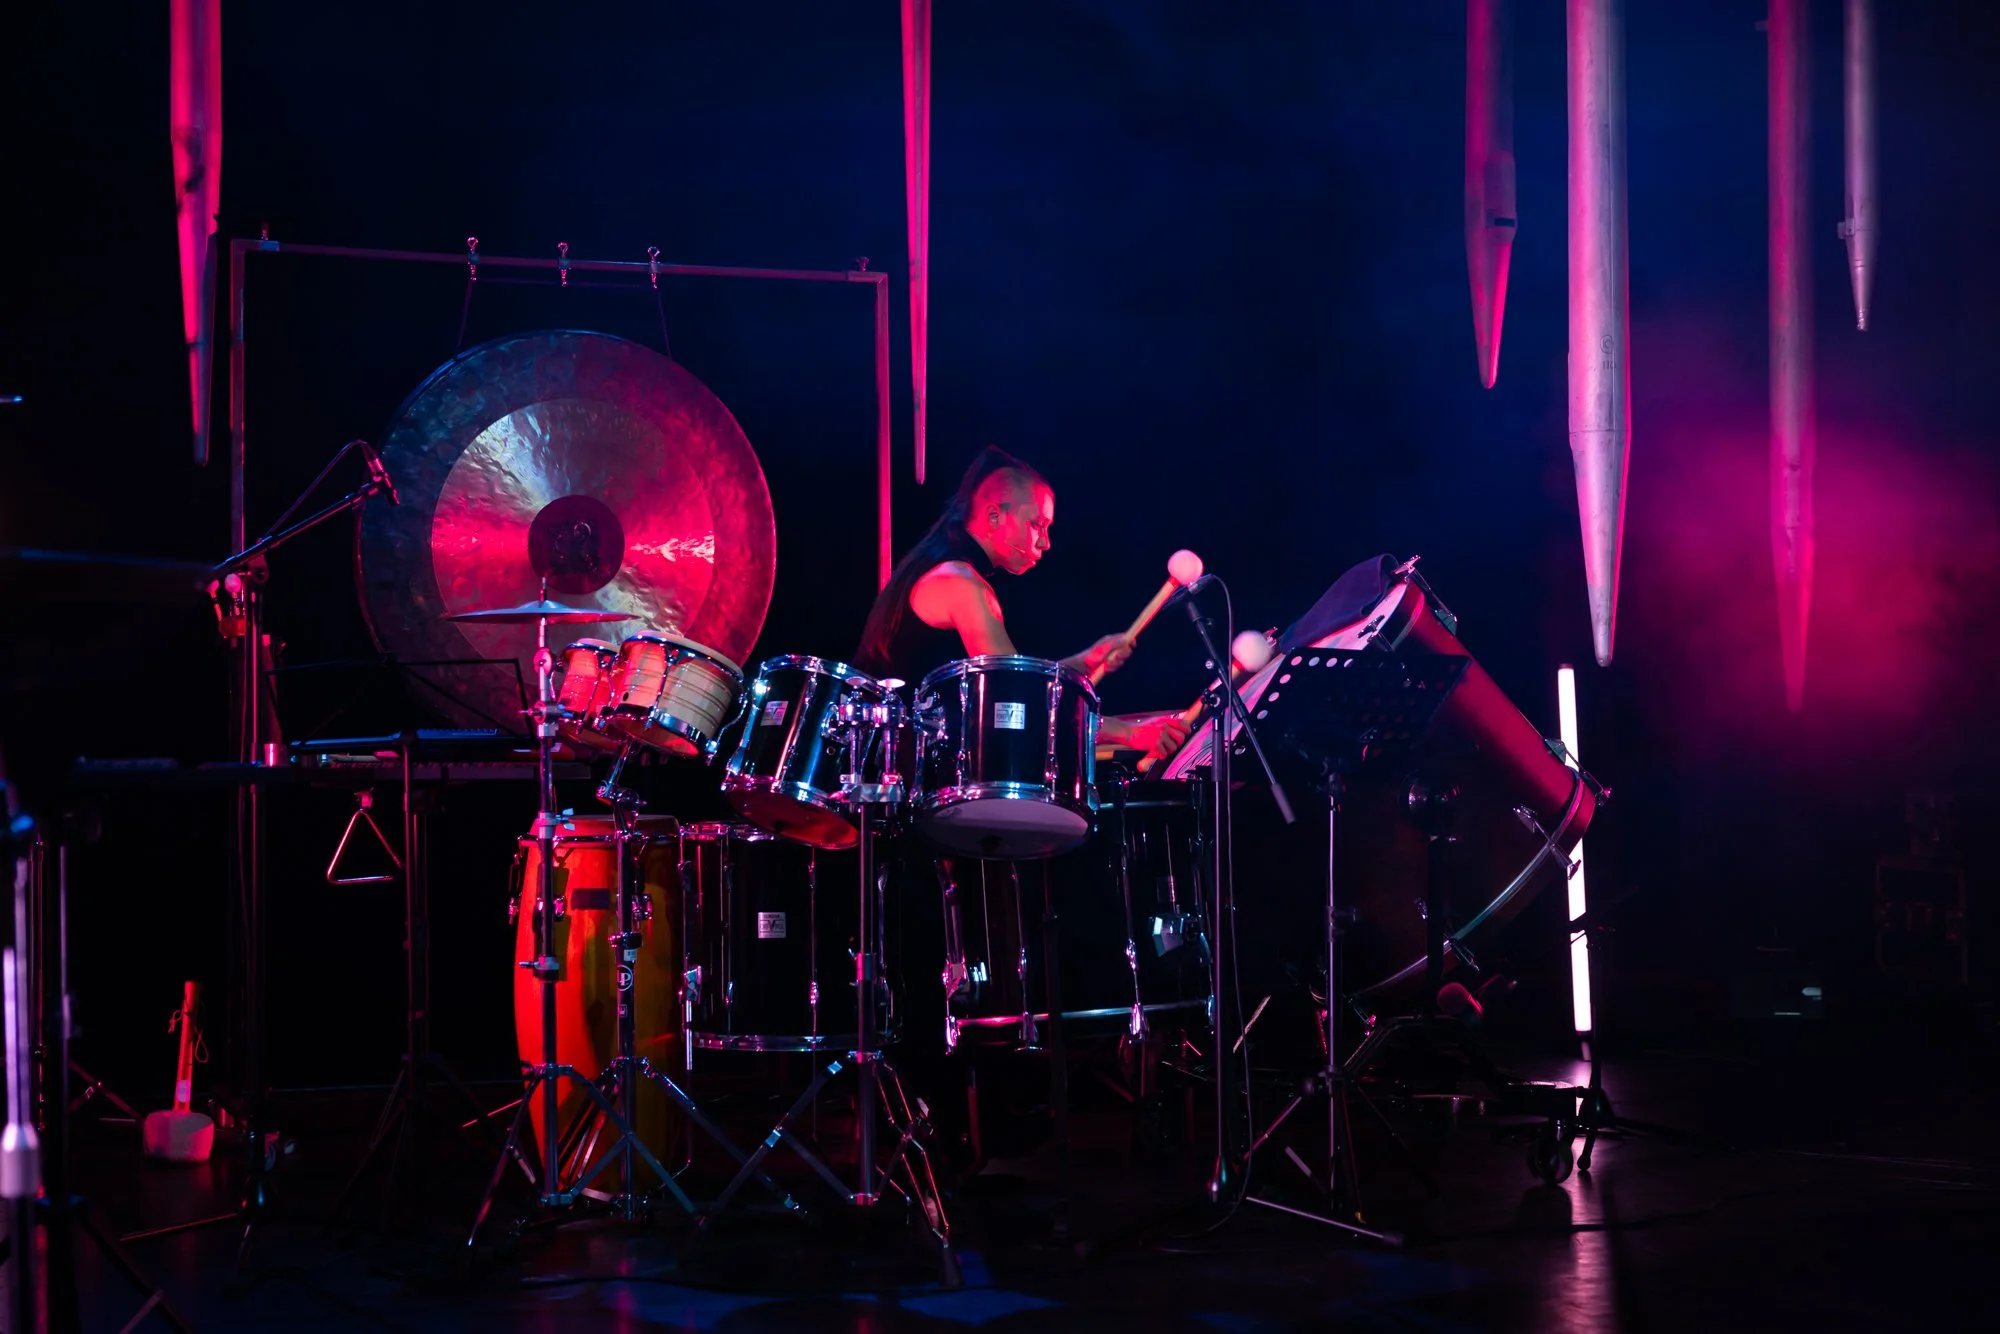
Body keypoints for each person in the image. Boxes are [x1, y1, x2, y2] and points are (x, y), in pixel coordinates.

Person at [855, 446, 1189, 763]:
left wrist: (1086, 661)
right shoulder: (961, 584)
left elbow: (1019, 683)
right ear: (994, 516)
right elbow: (1017, 700)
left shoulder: (945, 567)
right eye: (1036, 525)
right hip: (891, 771)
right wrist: (1130, 733)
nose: (1046, 542)